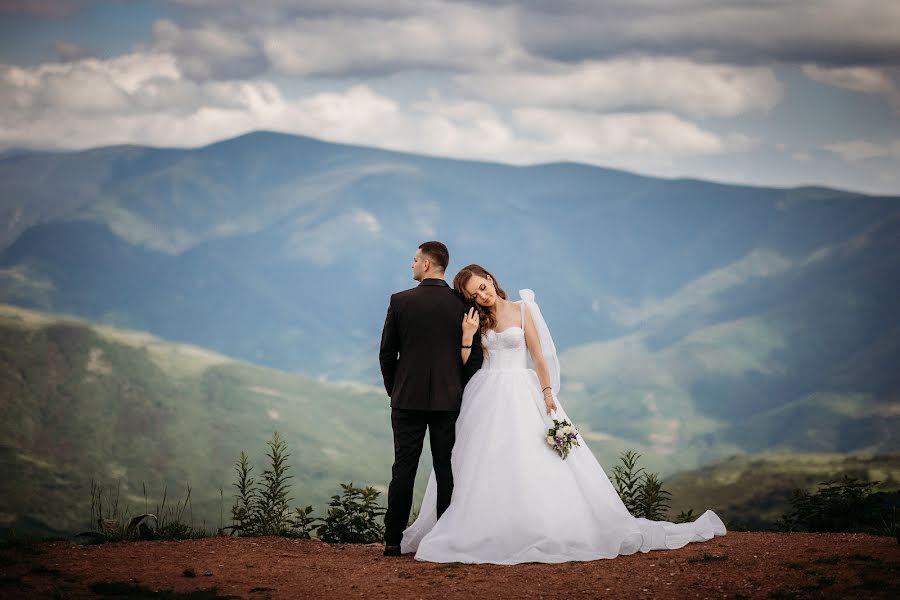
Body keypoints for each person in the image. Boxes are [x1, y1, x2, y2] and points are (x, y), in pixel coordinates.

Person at [400, 264, 726, 564]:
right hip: (485, 393)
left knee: (539, 456)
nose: (482, 296)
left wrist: (546, 393)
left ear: (491, 279)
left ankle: (539, 523)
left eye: (483, 287)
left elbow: (539, 356)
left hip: (523, 389)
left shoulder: (524, 310)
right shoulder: (474, 320)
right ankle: (490, 524)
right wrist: (467, 337)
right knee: (481, 460)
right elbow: (461, 366)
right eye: (474, 294)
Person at [379, 242, 483, 557]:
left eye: (414, 260)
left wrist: (396, 390)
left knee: (404, 469)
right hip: (448, 402)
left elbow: (387, 354)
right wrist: (458, 391)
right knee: (445, 470)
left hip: (406, 400)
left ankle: (392, 541)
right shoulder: (463, 305)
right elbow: (475, 359)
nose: (411, 265)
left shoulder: (400, 302)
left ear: (426, 264)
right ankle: (444, 540)